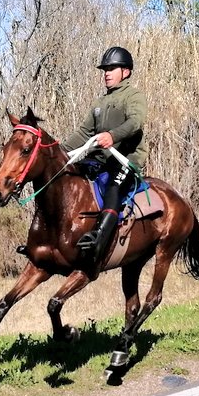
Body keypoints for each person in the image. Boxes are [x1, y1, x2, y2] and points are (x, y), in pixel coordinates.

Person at [63, 46, 148, 264]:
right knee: (66, 178)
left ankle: (98, 241)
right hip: (99, 160)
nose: (106, 73)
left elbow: (136, 122)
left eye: (112, 68)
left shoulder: (134, 96)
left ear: (126, 72)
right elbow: (84, 132)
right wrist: (60, 152)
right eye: (105, 69)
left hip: (125, 161)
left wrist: (112, 135)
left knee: (113, 187)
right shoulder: (99, 103)